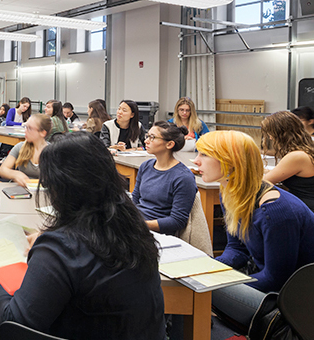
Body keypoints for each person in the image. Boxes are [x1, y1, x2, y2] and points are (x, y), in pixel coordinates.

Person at [0, 132, 165, 339]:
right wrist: (52, 241)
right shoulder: (134, 229)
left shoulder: (61, 248)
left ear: (60, 188)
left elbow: (12, 321)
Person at [193, 131, 314, 332]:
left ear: (231, 162)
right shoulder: (229, 192)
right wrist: (211, 269)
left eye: (204, 155)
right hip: (269, 284)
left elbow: (276, 278)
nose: (196, 161)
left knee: (197, 288)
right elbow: (236, 249)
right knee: (194, 280)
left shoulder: (275, 210)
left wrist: (215, 282)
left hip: (293, 300)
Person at [132, 121, 198, 235]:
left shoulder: (183, 177)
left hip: (155, 233)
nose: (146, 141)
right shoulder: (145, 166)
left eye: (152, 137)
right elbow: (135, 201)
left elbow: (177, 221)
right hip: (136, 225)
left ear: (169, 144)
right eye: (147, 136)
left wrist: (140, 225)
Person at [261, 111, 314, 212]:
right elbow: (280, 172)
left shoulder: (297, 157)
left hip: (306, 211)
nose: (270, 138)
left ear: (281, 133)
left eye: (271, 133)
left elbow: (264, 182)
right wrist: (259, 169)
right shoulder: (305, 151)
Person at [0, 114, 50, 186]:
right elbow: (2, 170)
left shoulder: (52, 152)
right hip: (21, 191)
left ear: (43, 133)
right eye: (25, 127)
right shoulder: (20, 147)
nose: (25, 131)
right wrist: (15, 174)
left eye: (30, 128)